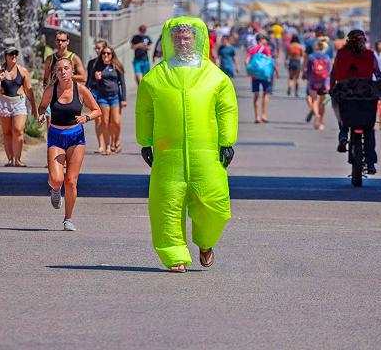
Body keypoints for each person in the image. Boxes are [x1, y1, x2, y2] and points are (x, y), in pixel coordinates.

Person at [135, 17, 238, 273]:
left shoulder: (216, 77)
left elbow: (227, 109)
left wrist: (227, 141)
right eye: (177, 37)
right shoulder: (154, 78)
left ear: (197, 39)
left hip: (207, 154)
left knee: (214, 204)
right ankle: (174, 254)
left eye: (187, 37)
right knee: (166, 205)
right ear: (170, 41)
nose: (182, 41)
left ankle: (206, 242)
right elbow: (144, 112)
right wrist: (145, 142)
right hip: (167, 154)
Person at [38, 57, 101, 231]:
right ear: (55, 73)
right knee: (57, 180)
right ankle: (55, 190)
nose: (63, 72)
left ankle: (68, 219)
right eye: (59, 70)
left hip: (76, 137)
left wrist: (86, 117)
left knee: (71, 181)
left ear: (72, 71)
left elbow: (97, 110)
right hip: (56, 136)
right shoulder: (51, 90)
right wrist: (41, 115)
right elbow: (42, 107)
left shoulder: (81, 90)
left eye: (66, 68)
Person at [331, 30, 381, 174]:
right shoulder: (370, 55)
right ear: (363, 41)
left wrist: (331, 88)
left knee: (342, 114)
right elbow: (378, 74)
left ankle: (343, 135)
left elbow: (333, 73)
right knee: (369, 129)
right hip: (366, 95)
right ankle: (370, 162)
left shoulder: (341, 53)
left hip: (345, 92)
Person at [0, 46, 37, 167]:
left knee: (18, 130)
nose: (14, 56)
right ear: (6, 56)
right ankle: (10, 159)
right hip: (4, 102)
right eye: (11, 54)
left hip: (19, 102)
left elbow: (29, 90)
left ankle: (18, 159)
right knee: (7, 132)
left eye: (16, 53)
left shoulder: (23, 71)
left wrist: (34, 108)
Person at [43, 31, 86, 127]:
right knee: (50, 125)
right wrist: (45, 92)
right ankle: (52, 142)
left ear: (68, 42)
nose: (60, 43)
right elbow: (46, 78)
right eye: (58, 40)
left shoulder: (74, 58)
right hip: (53, 95)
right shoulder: (50, 59)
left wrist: (67, 76)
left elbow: (83, 77)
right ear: (55, 41)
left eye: (63, 40)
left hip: (69, 95)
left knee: (68, 124)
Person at [93, 45, 127, 154]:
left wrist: (124, 99)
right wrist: (97, 79)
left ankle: (116, 141)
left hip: (115, 97)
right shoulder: (98, 66)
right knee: (105, 122)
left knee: (116, 122)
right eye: (104, 53)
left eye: (108, 53)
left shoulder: (116, 66)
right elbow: (95, 84)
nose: (106, 55)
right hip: (103, 97)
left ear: (112, 55)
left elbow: (122, 83)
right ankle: (107, 146)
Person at [245, 34, 278, 123]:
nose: (266, 41)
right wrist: (276, 71)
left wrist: (248, 71)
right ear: (261, 40)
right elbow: (270, 62)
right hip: (265, 75)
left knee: (256, 95)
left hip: (255, 75)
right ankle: (264, 115)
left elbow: (246, 61)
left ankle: (257, 117)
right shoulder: (266, 49)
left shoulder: (252, 50)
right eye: (265, 39)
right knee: (265, 94)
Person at [86, 39, 108, 153]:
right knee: (97, 120)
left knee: (106, 120)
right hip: (94, 91)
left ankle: (108, 144)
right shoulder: (92, 63)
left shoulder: (108, 63)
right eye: (96, 48)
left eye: (100, 48)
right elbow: (89, 78)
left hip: (106, 92)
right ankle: (101, 145)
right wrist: (85, 91)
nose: (98, 50)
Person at [306, 40, 332, 130]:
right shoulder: (327, 57)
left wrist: (308, 80)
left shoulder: (311, 57)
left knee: (314, 100)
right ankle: (320, 121)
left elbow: (308, 71)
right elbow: (329, 71)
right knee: (322, 103)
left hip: (313, 81)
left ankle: (316, 115)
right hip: (324, 81)